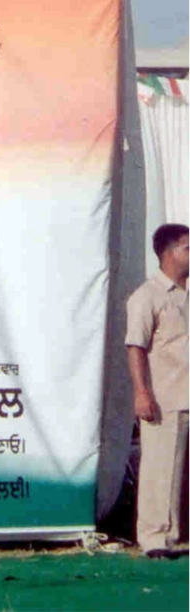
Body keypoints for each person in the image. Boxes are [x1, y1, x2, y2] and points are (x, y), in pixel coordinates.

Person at [126, 223, 189, 557]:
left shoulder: (186, 296)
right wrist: (141, 392)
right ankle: (153, 538)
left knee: (182, 474)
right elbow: (135, 346)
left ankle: (178, 536)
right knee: (160, 468)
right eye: (187, 248)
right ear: (168, 254)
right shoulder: (146, 297)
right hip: (164, 397)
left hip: (187, 395)